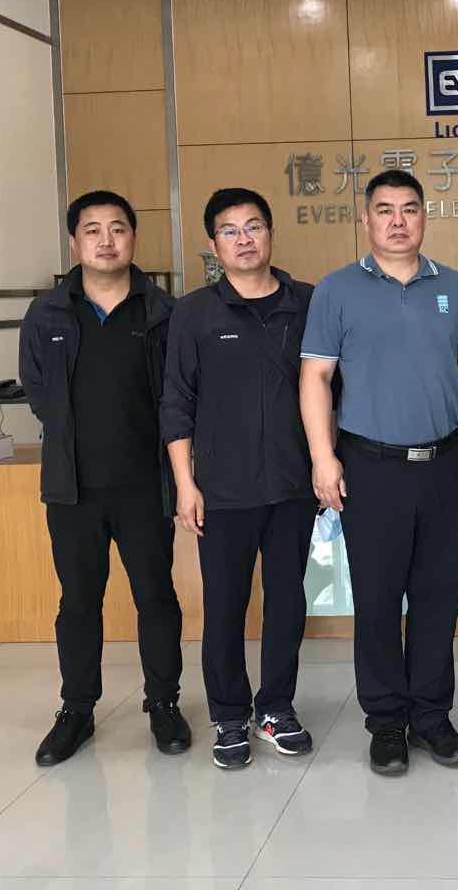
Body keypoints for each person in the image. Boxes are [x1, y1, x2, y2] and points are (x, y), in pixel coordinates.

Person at [300, 169, 458, 777]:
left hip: (444, 462)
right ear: (366, 220)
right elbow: (315, 376)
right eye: (384, 210)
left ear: (423, 217)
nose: (397, 221)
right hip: (370, 465)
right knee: (379, 599)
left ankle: (432, 717)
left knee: (437, 596)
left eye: (409, 209)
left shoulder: (453, 287)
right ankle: (386, 721)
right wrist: (323, 456)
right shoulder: (336, 290)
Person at [19, 189, 189, 767]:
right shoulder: (47, 313)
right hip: (73, 487)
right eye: (93, 230)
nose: (106, 240)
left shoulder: (163, 312)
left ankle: (163, 703)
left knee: (156, 597)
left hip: (145, 484)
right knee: (78, 601)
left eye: (118, 228)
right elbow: (38, 391)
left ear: (133, 238)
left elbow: (178, 395)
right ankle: (76, 710)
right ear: (75, 242)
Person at [162, 187, 318, 770]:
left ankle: (275, 707)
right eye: (229, 230)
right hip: (222, 489)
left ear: (271, 233)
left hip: (292, 484)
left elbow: (331, 386)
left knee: (287, 600)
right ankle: (229, 714)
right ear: (214, 244)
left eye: (254, 226)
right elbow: (176, 401)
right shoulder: (194, 313)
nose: (244, 238)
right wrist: (185, 483)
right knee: (225, 604)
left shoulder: (308, 302)